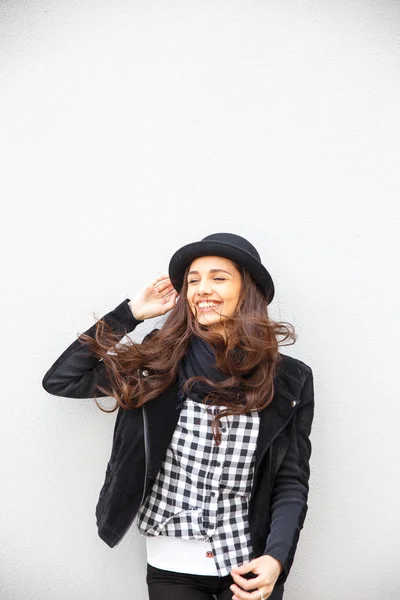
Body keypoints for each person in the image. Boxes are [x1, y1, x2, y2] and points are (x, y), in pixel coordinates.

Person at [42, 232, 315, 600]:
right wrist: (130, 314)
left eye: (218, 277)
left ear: (247, 291)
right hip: (175, 570)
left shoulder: (288, 379)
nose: (202, 288)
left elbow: (290, 480)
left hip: (249, 566)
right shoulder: (157, 362)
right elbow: (63, 379)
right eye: (192, 280)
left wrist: (276, 559)